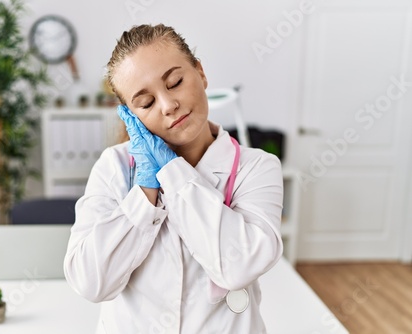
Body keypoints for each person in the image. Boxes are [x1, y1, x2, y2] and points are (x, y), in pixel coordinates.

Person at [64, 23, 284, 333]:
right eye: (146, 103)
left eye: (175, 82)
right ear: (130, 116)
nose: (169, 106)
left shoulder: (257, 168)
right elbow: (90, 283)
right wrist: (144, 192)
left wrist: (173, 173)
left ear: (201, 73)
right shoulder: (114, 167)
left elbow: (238, 268)